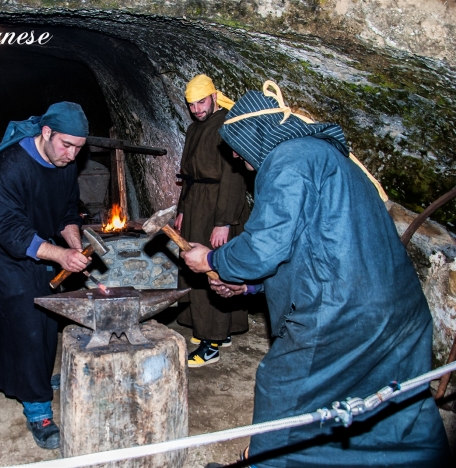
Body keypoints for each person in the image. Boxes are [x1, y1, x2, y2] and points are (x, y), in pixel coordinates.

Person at [181, 82, 450, 466]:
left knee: (284, 387)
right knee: (396, 404)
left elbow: (264, 247)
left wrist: (211, 261)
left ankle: (263, 462)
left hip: (343, 316)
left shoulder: (288, 160)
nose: (242, 163)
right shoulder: (324, 157)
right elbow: (311, 249)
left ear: (256, 138)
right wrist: (249, 286)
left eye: (240, 155)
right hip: (400, 312)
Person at [0, 102, 89, 450]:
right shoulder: (7, 167)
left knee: (47, 315)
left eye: (79, 148)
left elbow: (68, 210)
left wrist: (74, 242)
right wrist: (60, 255)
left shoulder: (65, 163)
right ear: (46, 133)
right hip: (4, 247)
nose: (71, 155)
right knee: (24, 317)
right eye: (66, 145)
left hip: (41, 240)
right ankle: (38, 408)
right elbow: (12, 233)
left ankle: (36, 378)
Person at [175, 74, 250, 367]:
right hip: (197, 203)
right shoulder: (195, 128)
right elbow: (189, 176)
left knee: (212, 267)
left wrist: (225, 221)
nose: (196, 109)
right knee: (194, 264)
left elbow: (235, 177)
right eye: (192, 104)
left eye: (201, 102)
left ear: (214, 97)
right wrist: (182, 209)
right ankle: (223, 329)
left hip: (219, 203)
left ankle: (212, 342)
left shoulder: (227, 124)